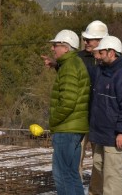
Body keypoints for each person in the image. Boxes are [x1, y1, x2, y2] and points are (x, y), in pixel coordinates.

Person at [88, 35, 122, 195]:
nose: (99, 56)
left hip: (115, 134)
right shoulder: (102, 72)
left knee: (111, 176)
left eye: (102, 53)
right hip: (101, 132)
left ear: (112, 53)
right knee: (99, 166)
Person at [47, 29, 91, 195]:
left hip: (66, 129)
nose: (53, 49)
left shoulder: (69, 67)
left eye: (55, 45)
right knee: (72, 174)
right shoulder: (74, 64)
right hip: (75, 128)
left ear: (66, 48)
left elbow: (68, 102)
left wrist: (53, 121)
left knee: (62, 175)